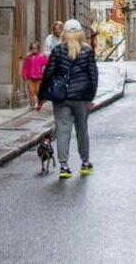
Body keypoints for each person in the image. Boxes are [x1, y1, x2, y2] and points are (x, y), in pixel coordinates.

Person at [38, 18, 99, 179]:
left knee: (63, 131)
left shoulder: (57, 51)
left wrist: (42, 96)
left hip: (62, 97)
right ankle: (85, 163)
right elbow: (93, 76)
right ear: (80, 33)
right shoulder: (87, 51)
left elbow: (48, 74)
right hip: (82, 97)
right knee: (82, 130)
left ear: (64, 33)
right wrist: (91, 96)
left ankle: (64, 166)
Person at [20, 41, 48, 109]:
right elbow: (25, 67)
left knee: (38, 90)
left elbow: (47, 64)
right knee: (31, 91)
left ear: (38, 49)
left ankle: (38, 102)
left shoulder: (41, 57)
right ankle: (33, 103)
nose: (34, 50)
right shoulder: (28, 58)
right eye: (32, 48)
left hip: (38, 77)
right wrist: (24, 75)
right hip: (30, 77)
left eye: (35, 48)